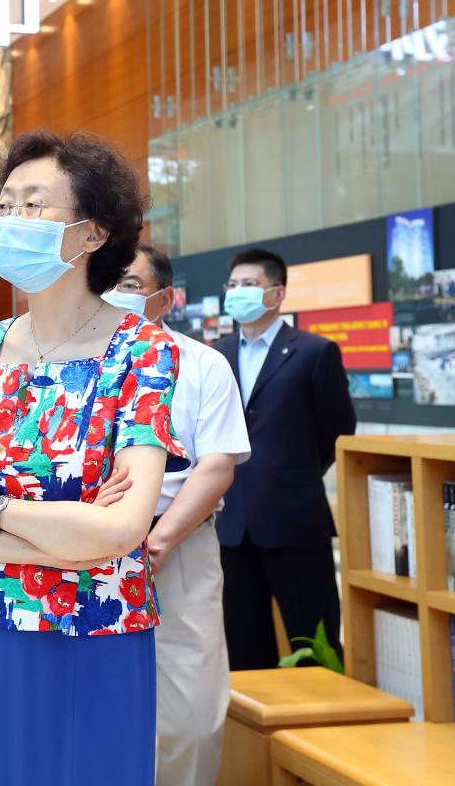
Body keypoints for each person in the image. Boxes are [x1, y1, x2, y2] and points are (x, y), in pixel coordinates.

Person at [0, 130, 184, 786]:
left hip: (95, 625)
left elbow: (123, 529)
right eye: (4, 205)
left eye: (33, 205)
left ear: (94, 233)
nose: (11, 220)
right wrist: (71, 535)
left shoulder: (142, 351)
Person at [107, 244, 250, 786]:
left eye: (129, 284)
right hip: (79, 549)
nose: (114, 293)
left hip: (178, 546)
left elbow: (216, 466)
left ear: (164, 299)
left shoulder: (203, 364)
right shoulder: (71, 361)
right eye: (107, 280)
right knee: (96, 705)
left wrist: (159, 542)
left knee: (191, 711)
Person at [212, 248, 356, 671]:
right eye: (233, 285)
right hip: (231, 525)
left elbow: (337, 430)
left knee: (314, 642)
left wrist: (291, 476)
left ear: (277, 294)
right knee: (243, 647)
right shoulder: (216, 354)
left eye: (249, 284)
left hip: (294, 521)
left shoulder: (314, 352)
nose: (238, 292)